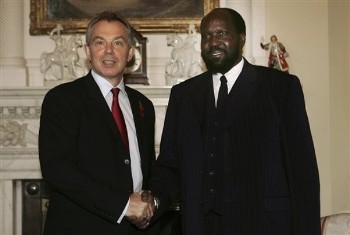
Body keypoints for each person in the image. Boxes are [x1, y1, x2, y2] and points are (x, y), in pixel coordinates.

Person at [147, 7, 321, 235]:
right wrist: (154, 200)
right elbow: (170, 164)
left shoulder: (280, 88)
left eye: (222, 34)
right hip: (201, 227)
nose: (213, 42)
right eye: (207, 36)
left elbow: (303, 173)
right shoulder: (183, 95)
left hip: (265, 225)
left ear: (242, 39)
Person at [39, 11, 158, 235]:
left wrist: (150, 201)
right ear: (87, 51)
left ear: (130, 53)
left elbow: (147, 169)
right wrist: (123, 205)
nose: (109, 51)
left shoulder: (144, 106)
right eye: (100, 42)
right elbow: (57, 170)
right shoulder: (62, 100)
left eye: (118, 43)